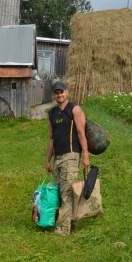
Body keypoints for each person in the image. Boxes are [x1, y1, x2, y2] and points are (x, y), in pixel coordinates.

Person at [46, 81, 90, 235]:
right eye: (57, 93)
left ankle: (63, 228)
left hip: (71, 155)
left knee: (67, 191)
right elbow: (51, 138)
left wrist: (85, 155)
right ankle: (69, 222)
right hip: (57, 158)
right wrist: (47, 160)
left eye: (62, 92)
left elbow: (81, 133)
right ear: (53, 95)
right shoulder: (51, 114)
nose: (60, 95)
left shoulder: (74, 109)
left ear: (67, 92)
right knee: (59, 190)